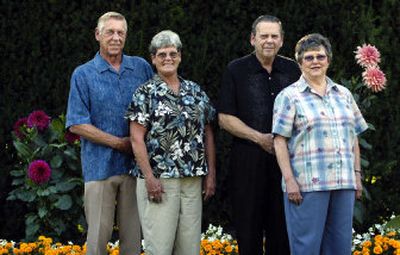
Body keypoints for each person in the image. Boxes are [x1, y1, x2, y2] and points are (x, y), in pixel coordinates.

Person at [66, 11, 153, 255]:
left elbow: (156, 108)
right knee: (97, 240)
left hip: (135, 168)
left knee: (133, 241)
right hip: (99, 168)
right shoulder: (83, 74)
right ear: (98, 35)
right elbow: (76, 124)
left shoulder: (141, 68)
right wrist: (118, 143)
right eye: (110, 32)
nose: (116, 37)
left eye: (120, 33)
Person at [272, 33, 368, 255]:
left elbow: (353, 135)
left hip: (343, 182)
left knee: (340, 247)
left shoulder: (343, 94)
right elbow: (279, 140)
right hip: (307, 185)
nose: (315, 61)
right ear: (300, 62)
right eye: (308, 57)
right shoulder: (289, 96)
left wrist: (357, 174)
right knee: (306, 246)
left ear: (328, 60)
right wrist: (289, 181)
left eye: (320, 56)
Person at [125, 30, 216, 255]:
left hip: (192, 180)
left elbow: (208, 132)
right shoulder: (144, 93)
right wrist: (149, 178)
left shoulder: (195, 91)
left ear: (180, 56)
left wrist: (211, 174)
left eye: (173, 53)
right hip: (160, 181)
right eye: (162, 54)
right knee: (160, 248)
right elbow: (136, 138)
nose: (168, 58)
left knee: (189, 248)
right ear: (153, 59)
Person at [217, 15, 301, 255]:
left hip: (286, 164)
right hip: (247, 162)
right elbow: (224, 118)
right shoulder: (236, 70)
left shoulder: (293, 70)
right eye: (264, 36)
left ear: (282, 40)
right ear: (253, 39)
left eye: (274, 36)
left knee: (282, 232)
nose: (269, 41)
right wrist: (260, 138)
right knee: (248, 231)